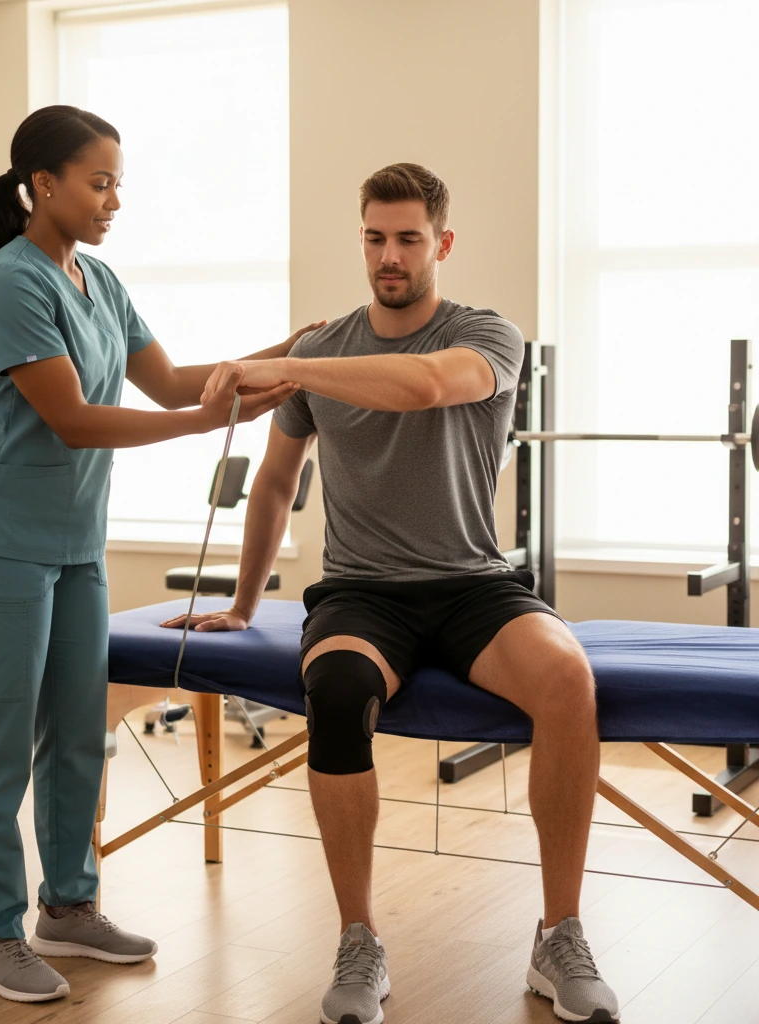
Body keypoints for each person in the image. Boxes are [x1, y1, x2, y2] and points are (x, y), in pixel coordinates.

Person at [163, 163, 621, 1024]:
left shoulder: (485, 334)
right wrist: (244, 604)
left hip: (473, 586)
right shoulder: (322, 347)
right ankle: (359, 939)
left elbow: (424, 387)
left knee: (566, 678)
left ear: (441, 244)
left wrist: (298, 367)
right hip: (363, 595)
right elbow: (272, 484)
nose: (390, 256)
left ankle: (559, 933)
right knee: (335, 692)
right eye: (375, 237)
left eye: (409, 238)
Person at [0, 104, 319, 1004]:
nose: (114, 200)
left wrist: (294, 355)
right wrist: (208, 420)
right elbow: (73, 421)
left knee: (79, 735)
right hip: (0, 546)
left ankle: (67, 910)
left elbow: (178, 380)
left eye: (119, 184)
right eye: (99, 182)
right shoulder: (10, 281)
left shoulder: (97, 281)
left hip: (74, 547)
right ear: (44, 185)